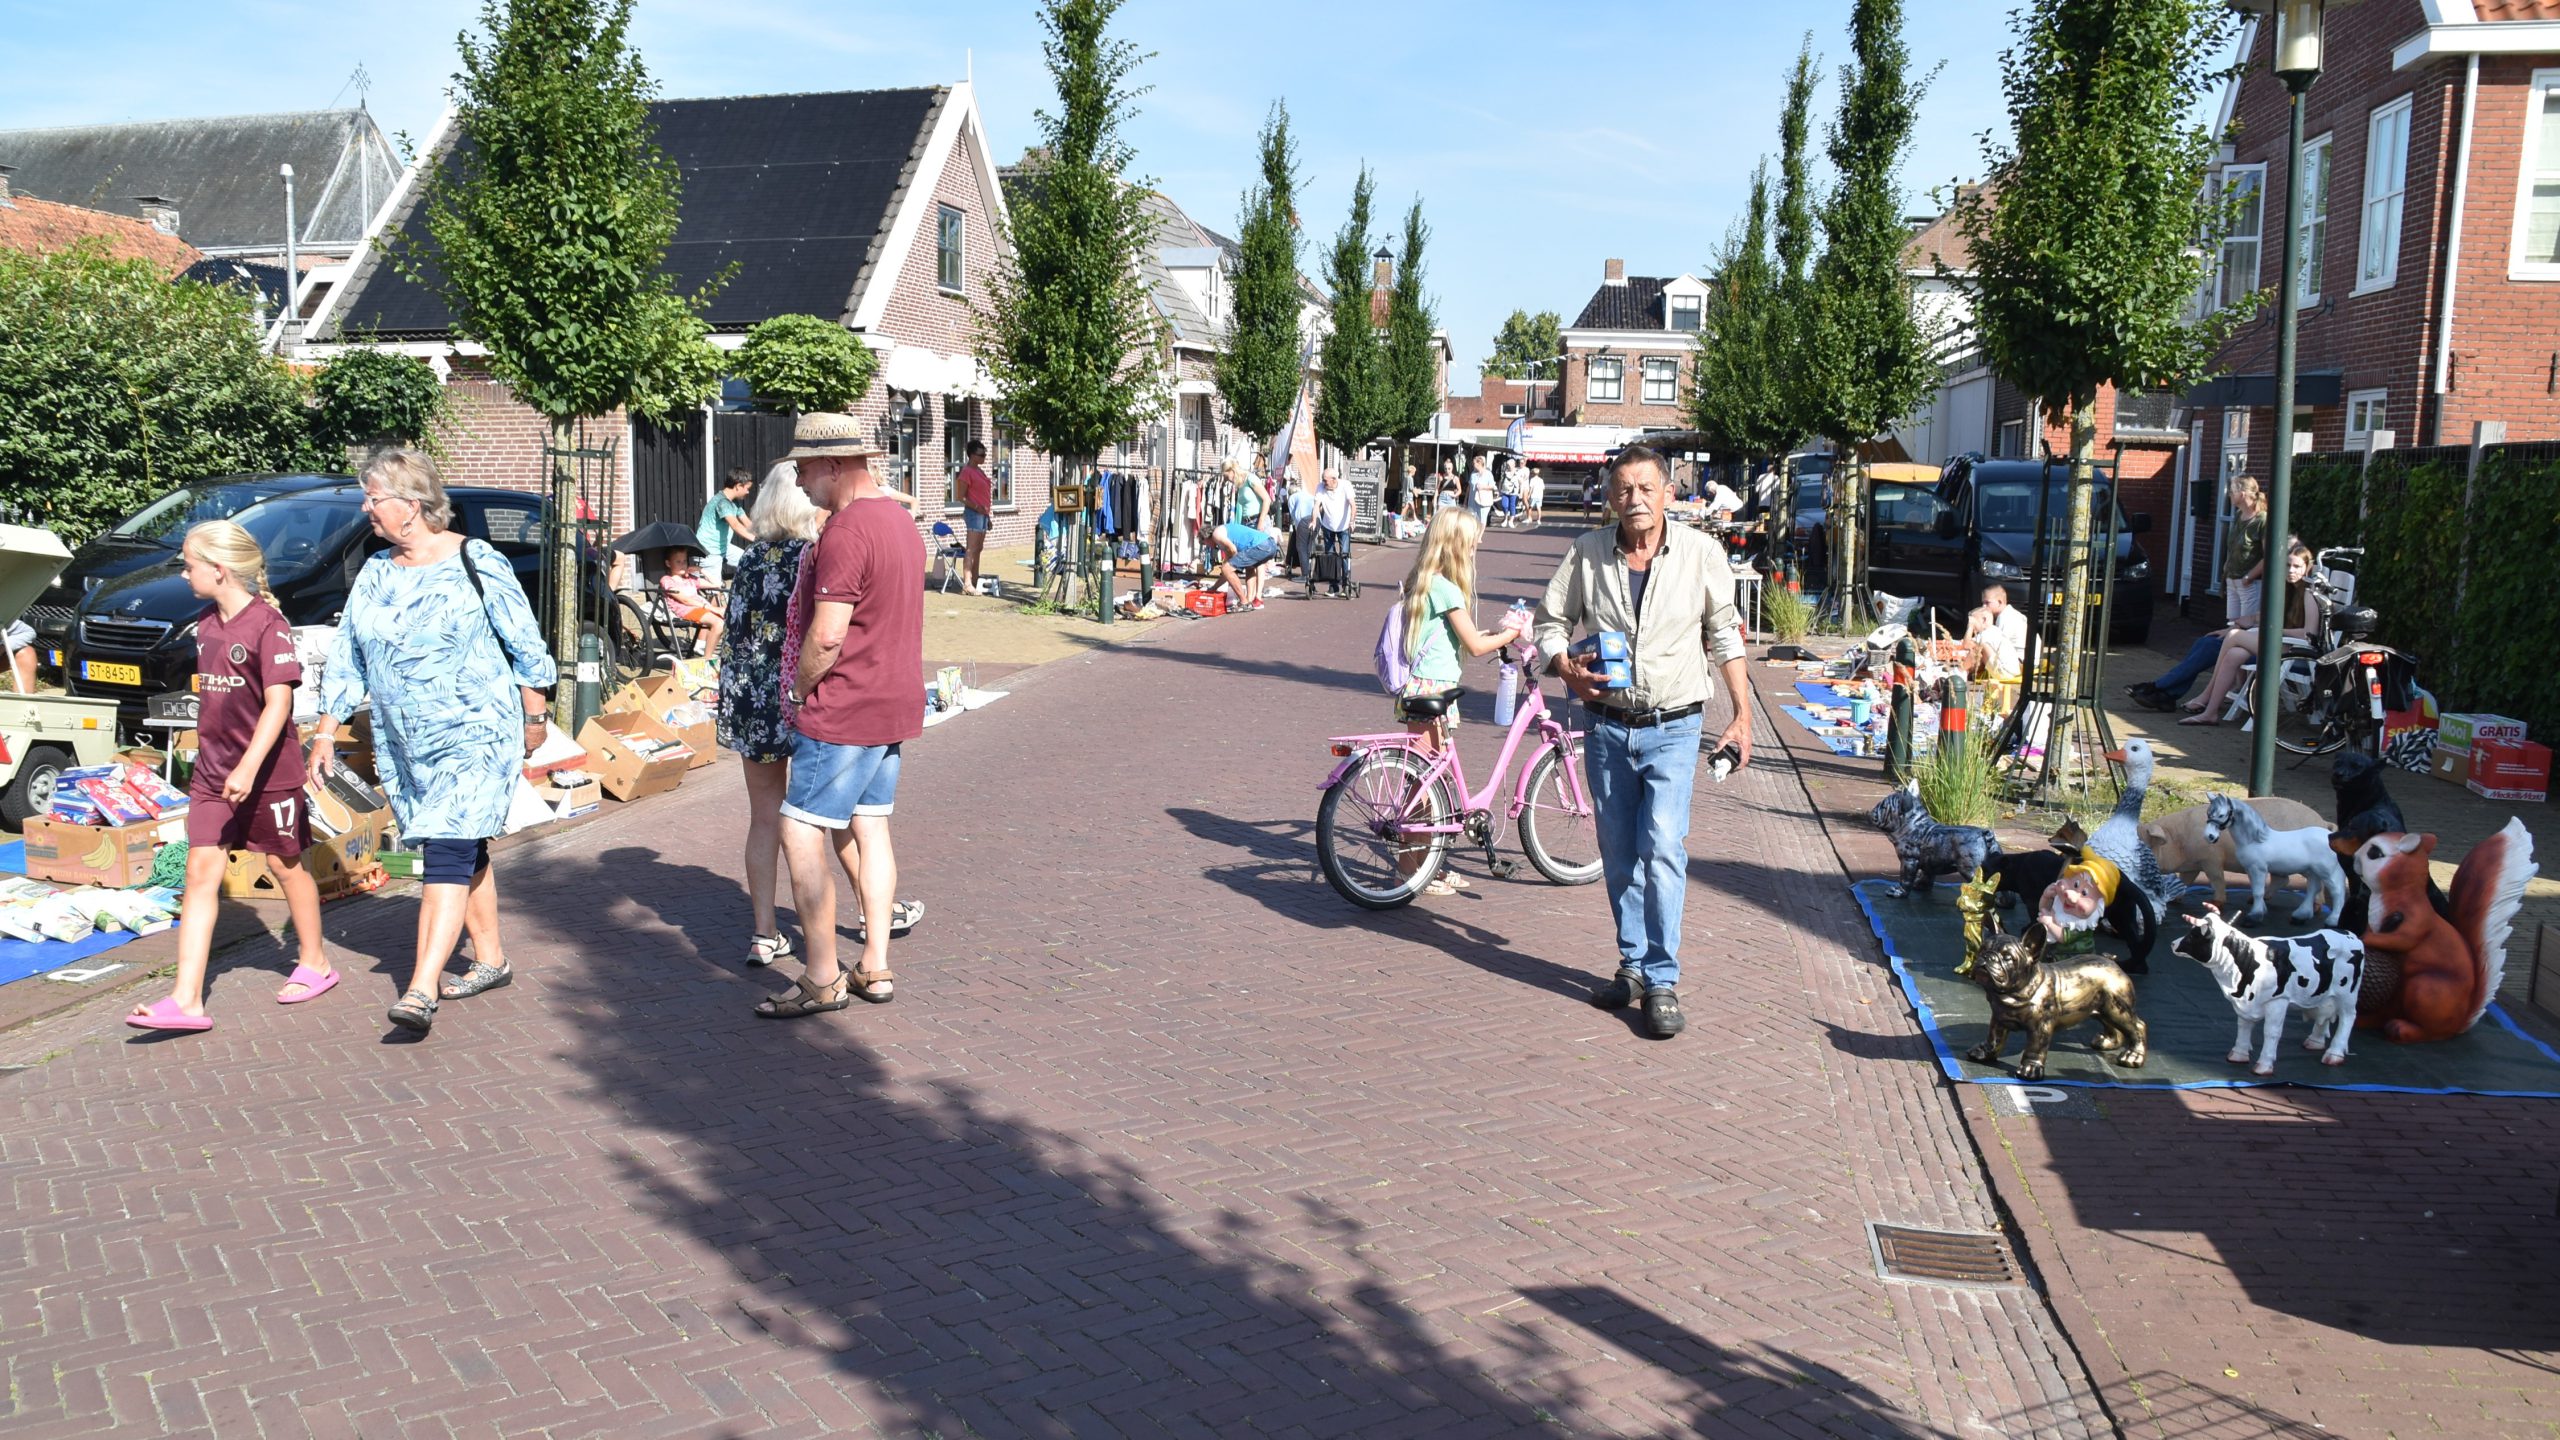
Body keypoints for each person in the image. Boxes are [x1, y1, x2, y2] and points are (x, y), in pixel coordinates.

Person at [311, 449, 558, 1035]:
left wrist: (535, 716)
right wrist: (325, 731)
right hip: (406, 743)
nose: (366, 509)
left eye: (374, 498)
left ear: (412, 504)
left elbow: (525, 643)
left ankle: (420, 989)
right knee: (463, 845)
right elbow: (348, 656)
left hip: (475, 733)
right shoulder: (375, 571)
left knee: (445, 850)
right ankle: (491, 960)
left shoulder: (478, 559)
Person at [1532, 445, 1752, 1041]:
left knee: (1662, 846)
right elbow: (1549, 623)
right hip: (1606, 726)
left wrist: (1742, 715)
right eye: (1625, 489)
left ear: (1668, 494)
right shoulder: (1586, 554)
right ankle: (1632, 964)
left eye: (1647, 488)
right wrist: (1564, 667)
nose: (1636, 499)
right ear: (1610, 497)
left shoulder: (1701, 554)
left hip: (1674, 726)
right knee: (1619, 850)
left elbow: (1725, 634)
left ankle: (1661, 980)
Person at [125, 521, 332, 1032]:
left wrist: (247, 767)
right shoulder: (205, 622)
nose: (183, 573)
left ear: (219, 570)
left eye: (189, 564)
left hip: (268, 775)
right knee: (200, 875)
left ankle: (315, 962)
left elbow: (278, 704)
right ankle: (187, 999)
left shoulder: (268, 625)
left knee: (286, 866)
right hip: (212, 775)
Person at [759, 412, 927, 1018]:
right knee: (871, 827)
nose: (801, 483)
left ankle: (822, 975)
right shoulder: (901, 522)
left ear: (833, 465)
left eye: (805, 470)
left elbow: (828, 636)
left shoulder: (846, 531)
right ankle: (875, 965)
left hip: (845, 706)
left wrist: (799, 692)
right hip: (894, 701)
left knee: (799, 829)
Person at [1394, 509, 1527, 895]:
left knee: (1429, 783)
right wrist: (1513, 632)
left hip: (1425, 688)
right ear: (1454, 544)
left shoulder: (1427, 581)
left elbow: (1461, 636)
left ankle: (1430, 866)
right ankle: (1408, 872)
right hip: (1432, 692)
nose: (1475, 549)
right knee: (1423, 790)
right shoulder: (1446, 589)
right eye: (1471, 543)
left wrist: (1494, 634)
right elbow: (1475, 645)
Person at [2180, 538, 2319, 726]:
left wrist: (2275, 630)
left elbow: (2309, 634)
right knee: (2233, 654)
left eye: (2297, 566)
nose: (2291, 571)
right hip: (2280, 643)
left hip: (2296, 651)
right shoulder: (2287, 589)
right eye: (2287, 565)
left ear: (2307, 568)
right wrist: (2258, 623)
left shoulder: (2309, 594)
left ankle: (2206, 695)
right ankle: (2210, 713)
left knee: (2234, 636)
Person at [2221, 474, 2268, 628]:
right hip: (2233, 580)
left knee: (2246, 628)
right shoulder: (2238, 515)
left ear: (2241, 494)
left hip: (2250, 584)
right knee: (2232, 625)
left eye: (2231, 491)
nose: (2229, 494)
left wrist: (2249, 577)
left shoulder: (2262, 520)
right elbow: (2233, 545)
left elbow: (2269, 556)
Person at [659, 546, 724, 656]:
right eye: (678, 561)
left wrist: (700, 570)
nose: (682, 564)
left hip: (700, 608)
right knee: (719, 623)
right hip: (687, 610)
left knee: (729, 617)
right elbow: (685, 600)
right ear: (668, 563)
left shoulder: (691, 579)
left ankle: (703, 648)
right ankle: (707, 658)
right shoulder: (667, 580)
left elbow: (717, 584)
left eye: (684, 561)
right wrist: (711, 608)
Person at [696, 468, 755, 586]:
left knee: (750, 559)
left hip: (723, 547)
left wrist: (765, 536)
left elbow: (747, 522)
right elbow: (736, 525)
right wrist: (756, 539)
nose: (748, 492)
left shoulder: (734, 503)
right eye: (747, 488)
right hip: (708, 552)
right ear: (738, 486)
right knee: (715, 589)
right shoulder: (722, 502)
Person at [1959, 583, 2028, 682]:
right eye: (1983, 603)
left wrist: (1970, 626)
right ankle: (1967, 672)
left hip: (2021, 662)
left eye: (1987, 603)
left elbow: (1967, 645)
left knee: (1980, 646)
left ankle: (1960, 672)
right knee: (1980, 646)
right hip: (2015, 666)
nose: (1984, 606)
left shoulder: (2005, 618)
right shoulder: (2001, 622)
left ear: (2000, 602)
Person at [1209, 517, 1280, 610]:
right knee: (1249, 568)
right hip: (1271, 544)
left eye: (1204, 543)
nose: (1207, 546)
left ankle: (1244, 601)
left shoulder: (1216, 534)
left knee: (1227, 569)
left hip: (1261, 545)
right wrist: (1214, 588)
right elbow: (1225, 575)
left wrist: (1234, 566)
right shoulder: (1225, 532)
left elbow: (1233, 550)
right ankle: (1249, 601)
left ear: (1205, 538)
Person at [954, 439, 996, 592]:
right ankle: (967, 583)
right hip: (974, 513)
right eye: (981, 455)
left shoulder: (979, 471)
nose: (984, 457)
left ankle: (975, 578)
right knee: (971, 548)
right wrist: (977, 507)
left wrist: (987, 516)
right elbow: (960, 496)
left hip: (983, 514)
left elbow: (984, 495)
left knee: (979, 548)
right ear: (972, 455)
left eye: (985, 454)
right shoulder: (967, 472)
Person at [1312, 468, 1356, 599]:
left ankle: (1345, 584)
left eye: (1325, 480)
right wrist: (1313, 521)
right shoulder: (1321, 487)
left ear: (1334, 479)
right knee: (1330, 555)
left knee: (1344, 555)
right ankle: (1333, 586)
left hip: (1343, 526)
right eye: (1323, 480)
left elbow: (1353, 505)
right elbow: (1316, 505)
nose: (1323, 482)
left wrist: (1352, 521)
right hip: (1328, 525)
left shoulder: (1345, 485)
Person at [1286, 470, 1320, 584]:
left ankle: (1305, 575)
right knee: (1309, 545)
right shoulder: (1308, 494)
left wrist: (1296, 529)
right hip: (1317, 519)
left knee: (1301, 547)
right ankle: (1311, 572)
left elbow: (1294, 515)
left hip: (1304, 521)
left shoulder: (1292, 498)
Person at [1467, 453, 1497, 527]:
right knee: (1472, 519)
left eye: (1474, 463)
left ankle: (1480, 534)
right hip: (1472, 500)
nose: (1473, 465)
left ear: (1479, 463)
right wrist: (1465, 500)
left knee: (1482, 519)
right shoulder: (1473, 474)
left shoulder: (1488, 474)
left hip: (1484, 500)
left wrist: (1483, 487)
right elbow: (1469, 487)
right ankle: (1475, 533)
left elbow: (1492, 486)